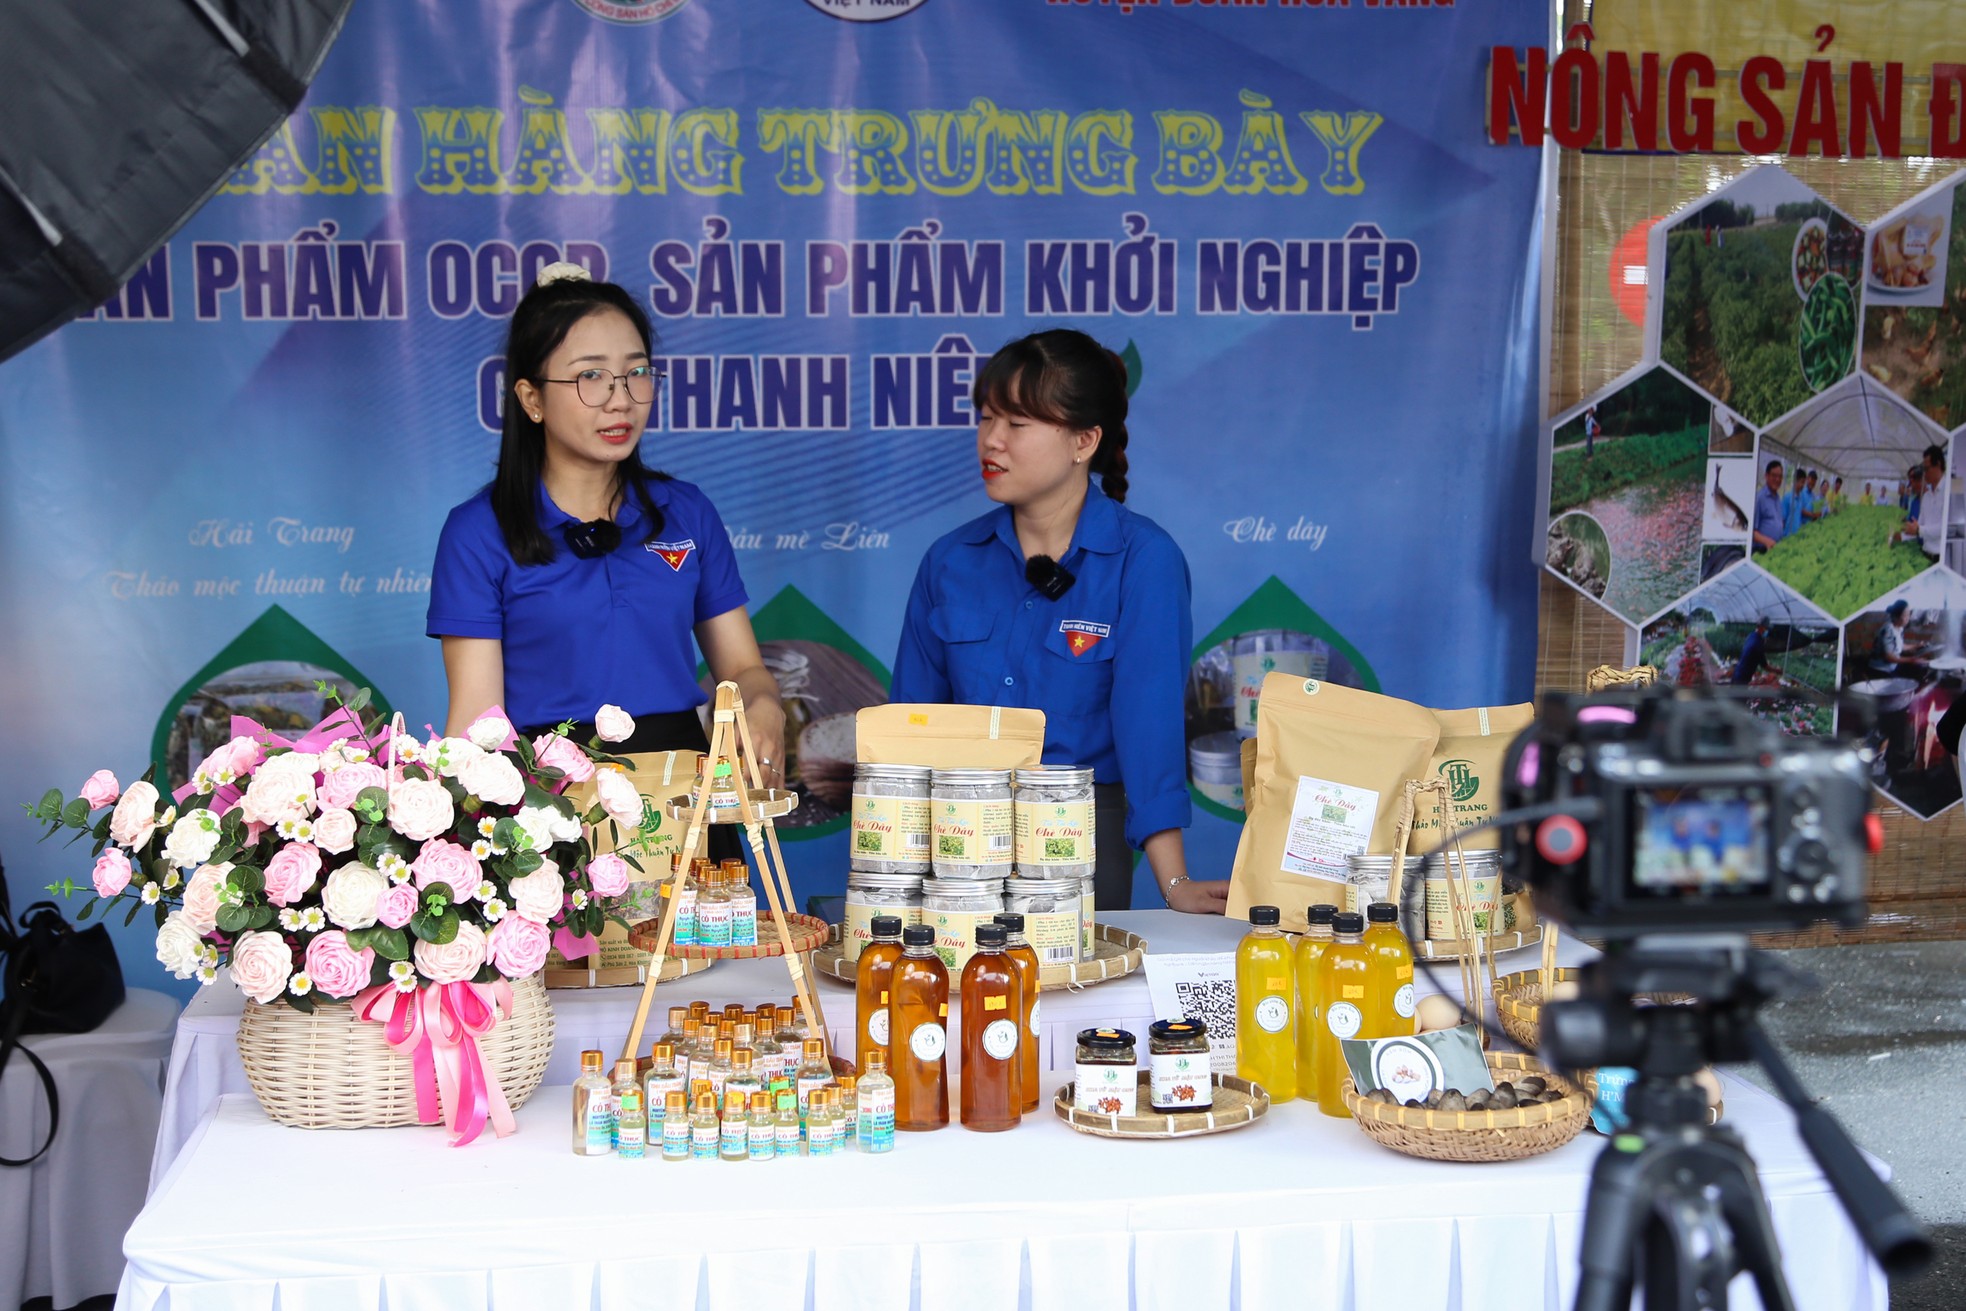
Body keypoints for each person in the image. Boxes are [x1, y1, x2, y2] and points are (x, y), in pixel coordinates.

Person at [426, 265, 786, 830]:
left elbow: (742, 665)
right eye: (590, 377)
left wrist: (763, 706)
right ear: (531, 398)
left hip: (682, 788)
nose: (620, 400)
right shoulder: (478, 531)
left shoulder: (685, 511)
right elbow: (477, 722)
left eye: (636, 373)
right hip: (549, 803)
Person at [890, 328, 1223, 915]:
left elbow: (1149, 728)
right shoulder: (949, 561)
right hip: (954, 836)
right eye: (986, 417)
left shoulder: (1142, 560)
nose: (991, 440)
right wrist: (893, 877)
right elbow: (908, 729)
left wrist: (1175, 885)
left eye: (1017, 425)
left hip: (1078, 832)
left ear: (1084, 441)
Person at [1868, 600, 1926, 677]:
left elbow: (1899, 646)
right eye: (1905, 615)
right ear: (1896, 617)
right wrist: (1912, 660)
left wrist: (1917, 645)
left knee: (1918, 670)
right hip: (1881, 670)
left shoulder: (1899, 628)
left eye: (1909, 614)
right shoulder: (1888, 630)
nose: (1908, 618)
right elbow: (1889, 657)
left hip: (1892, 666)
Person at [1730, 617, 1778, 684]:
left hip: (1738, 672)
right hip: (1743, 677)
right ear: (1761, 627)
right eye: (1766, 628)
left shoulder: (1751, 636)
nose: (1767, 631)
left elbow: (1751, 655)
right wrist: (1777, 671)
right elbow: (1765, 666)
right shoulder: (1758, 643)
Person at [1752, 459, 1784, 553]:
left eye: (1780, 477)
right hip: (1761, 551)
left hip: (1774, 551)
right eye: (1774, 476)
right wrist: (1766, 541)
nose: (1777, 479)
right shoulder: (1760, 498)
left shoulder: (1778, 498)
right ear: (1766, 476)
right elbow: (1750, 531)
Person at [1781, 467, 1809, 538]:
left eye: (1804, 483)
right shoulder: (1787, 498)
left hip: (1797, 535)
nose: (1803, 485)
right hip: (1787, 536)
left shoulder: (1800, 498)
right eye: (1802, 482)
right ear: (1795, 481)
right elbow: (1782, 520)